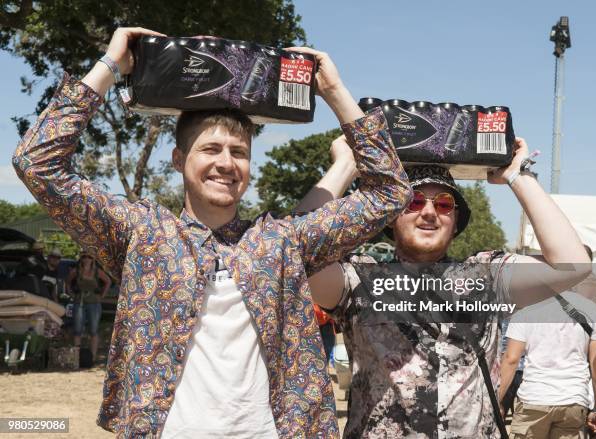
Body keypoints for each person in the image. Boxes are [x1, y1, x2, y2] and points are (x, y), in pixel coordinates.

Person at [12, 27, 411, 437]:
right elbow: (37, 164)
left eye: (239, 152)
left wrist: (333, 90)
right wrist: (112, 66)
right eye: (210, 149)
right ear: (178, 159)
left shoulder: (282, 242)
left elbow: (390, 192)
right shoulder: (143, 234)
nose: (226, 163)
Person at [303, 137, 591, 437]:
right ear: (391, 217)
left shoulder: (485, 276)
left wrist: (517, 176)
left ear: (455, 223)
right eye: (413, 202)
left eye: (443, 204)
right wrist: (346, 166)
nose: (429, 212)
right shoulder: (358, 278)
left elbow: (574, 266)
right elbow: (295, 256)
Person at [498, 291, 596, 438]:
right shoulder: (591, 309)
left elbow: (511, 359)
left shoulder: (526, 309)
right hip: (574, 400)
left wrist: (497, 401)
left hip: (533, 399)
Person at [66, 251, 111, 359]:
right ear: (81, 258)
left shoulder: (97, 271)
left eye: (89, 257)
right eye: (84, 257)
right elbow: (67, 282)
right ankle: (76, 357)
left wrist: (102, 296)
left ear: (93, 259)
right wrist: (71, 294)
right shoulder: (76, 271)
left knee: (94, 330)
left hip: (94, 303)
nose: (87, 259)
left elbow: (108, 281)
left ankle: (93, 356)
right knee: (77, 329)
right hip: (79, 301)